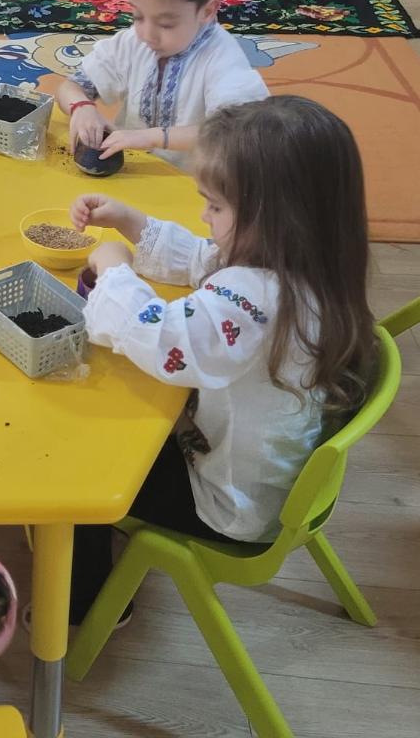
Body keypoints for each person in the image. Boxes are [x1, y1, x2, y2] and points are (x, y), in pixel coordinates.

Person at [67, 96, 377, 621]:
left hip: (227, 502)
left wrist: (114, 268)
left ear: (275, 219)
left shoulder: (257, 299)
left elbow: (161, 341)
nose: (203, 216)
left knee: (83, 463)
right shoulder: (312, 262)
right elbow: (205, 257)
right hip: (270, 479)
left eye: (214, 206)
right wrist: (130, 222)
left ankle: (87, 600)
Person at [53, 0, 268, 169]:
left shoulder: (222, 59)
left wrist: (152, 137)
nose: (148, 35)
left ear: (207, 11)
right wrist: (81, 107)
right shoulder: (132, 42)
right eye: (138, 16)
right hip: (134, 172)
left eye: (166, 24)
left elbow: (237, 133)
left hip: (194, 182)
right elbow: (70, 87)